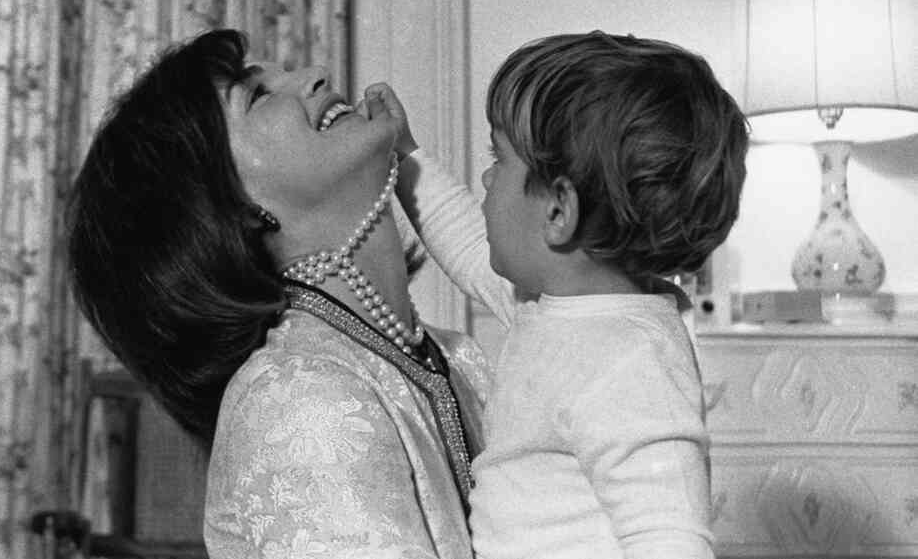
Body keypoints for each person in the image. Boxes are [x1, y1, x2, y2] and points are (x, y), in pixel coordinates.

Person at [67, 29, 490, 558]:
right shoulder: (296, 401)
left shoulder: (460, 359)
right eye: (259, 95)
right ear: (225, 207)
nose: (315, 74)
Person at [372, 30, 749, 559]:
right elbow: (466, 245)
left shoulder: (630, 357)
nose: (485, 175)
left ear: (558, 210)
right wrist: (404, 155)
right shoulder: (553, 303)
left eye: (498, 158)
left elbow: (669, 537)